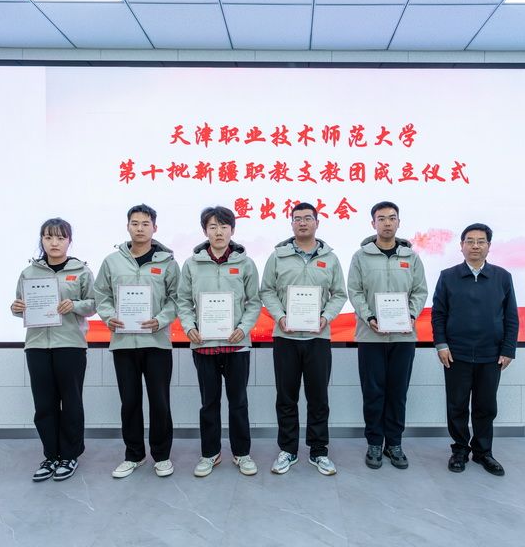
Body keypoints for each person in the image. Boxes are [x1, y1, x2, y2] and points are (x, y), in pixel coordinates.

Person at [260, 202, 347, 476]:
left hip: (318, 338)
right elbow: (266, 291)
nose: (302, 223)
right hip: (285, 337)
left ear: (317, 223)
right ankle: (288, 449)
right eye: (297, 219)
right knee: (286, 397)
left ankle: (319, 451)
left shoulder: (330, 258)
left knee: (318, 397)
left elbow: (339, 294)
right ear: (291, 223)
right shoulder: (278, 256)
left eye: (308, 218)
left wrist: (325, 317)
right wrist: (280, 317)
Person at [93, 204, 180, 479]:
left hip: (156, 343)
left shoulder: (167, 262)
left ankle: (162, 456)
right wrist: (109, 316)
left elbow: (177, 298)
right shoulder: (112, 261)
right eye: (135, 223)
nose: (140, 228)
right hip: (124, 343)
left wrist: (161, 319)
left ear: (155, 227)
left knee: (160, 402)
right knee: (129, 402)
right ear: (127, 226)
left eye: (145, 223)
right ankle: (134, 455)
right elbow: (101, 295)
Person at [177, 206, 262, 477]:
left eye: (224, 226)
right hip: (204, 345)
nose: (218, 232)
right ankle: (210, 454)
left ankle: (242, 453)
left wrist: (243, 328)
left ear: (232, 230)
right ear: (205, 231)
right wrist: (189, 327)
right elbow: (183, 301)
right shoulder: (191, 264)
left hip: (237, 345)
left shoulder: (245, 263)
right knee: (209, 404)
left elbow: (254, 302)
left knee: (238, 402)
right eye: (212, 227)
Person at [11, 218, 96, 482]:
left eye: (60, 237)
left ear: (69, 240)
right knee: (44, 404)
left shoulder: (81, 271)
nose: (54, 243)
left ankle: (69, 455)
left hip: (70, 344)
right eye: (48, 237)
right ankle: (51, 455)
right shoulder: (29, 273)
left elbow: (94, 304)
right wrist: (16, 308)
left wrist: (75, 305)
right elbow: (20, 305)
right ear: (42, 240)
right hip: (37, 345)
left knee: (71, 402)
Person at [431, 223, 519, 477]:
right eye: (470, 241)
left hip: (491, 355)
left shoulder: (502, 277)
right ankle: (460, 450)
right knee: (457, 406)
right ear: (461, 246)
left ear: (489, 246)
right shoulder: (448, 276)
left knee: (486, 406)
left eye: (481, 241)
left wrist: (508, 349)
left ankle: (483, 452)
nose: (475, 246)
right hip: (456, 354)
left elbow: (511, 317)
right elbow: (438, 314)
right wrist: (441, 345)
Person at [347, 201, 428, 470]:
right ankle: (374, 443)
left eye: (392, 218)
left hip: (404, 337)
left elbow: (420, 291)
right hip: (370, 337)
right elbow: (354, 291)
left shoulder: (411, 257)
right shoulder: (361, 256)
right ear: (373, 223)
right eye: (381, 218)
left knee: (397, 392)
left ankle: (394, 443)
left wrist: (411, 316)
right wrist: (369, 317)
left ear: (398, 222)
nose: (387, 223)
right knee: (373, 392)